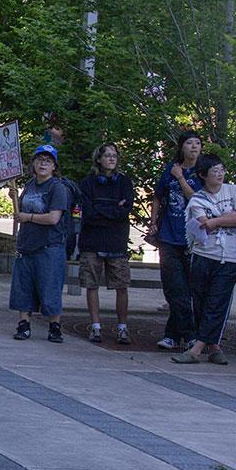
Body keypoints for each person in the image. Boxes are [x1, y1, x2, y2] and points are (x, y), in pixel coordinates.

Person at [171, 154, 236, 365]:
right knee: (202, 302)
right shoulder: (197, 199)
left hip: (230, 256)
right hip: (205, 254)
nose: (220, 174)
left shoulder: (233, 190)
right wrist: (226, 219)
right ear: (203, 175)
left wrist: (217, 221)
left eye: (222, 169)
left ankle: (195, 350)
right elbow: (204, 224)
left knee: (217, 301)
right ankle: (214, 347)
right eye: (215, 171)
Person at [148, 130, 204, 349]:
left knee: (187, 290)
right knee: (173, 288)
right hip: (169, 236)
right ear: (181, 147)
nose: (193, 147)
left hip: (194, 239)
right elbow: (158, 197)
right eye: (189, 143)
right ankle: (183, 335)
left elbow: (196, 198)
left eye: (197, 143)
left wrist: (181, 177)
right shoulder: (169, 170)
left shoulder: (203, 172)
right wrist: (153, 221)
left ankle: (180, 335)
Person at [10, 144, 69, 342]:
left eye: (48, 161)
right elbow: (20, 212)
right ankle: (24, 324)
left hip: (49, 246)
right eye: (39, 160)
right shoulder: (29, 185)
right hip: (27, 244)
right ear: (33, 163)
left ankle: (55, 326)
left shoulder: (57, 188)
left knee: (50, 287)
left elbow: (53, 218)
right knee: (23, 286)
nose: (43, 164)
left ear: (54, 166)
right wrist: (14, 198)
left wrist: (28, 217)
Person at [78, 143, 135, 344]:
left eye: (114, 155)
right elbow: (88, 212)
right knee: (92, 284)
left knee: (121, 285)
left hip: (117, 241)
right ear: (98, 159)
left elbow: (125, 209)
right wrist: (112, 209)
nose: (111, 159)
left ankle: (122, 327)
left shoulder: (124, 182)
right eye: (107, 155)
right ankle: (95, 326)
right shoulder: (88, 183)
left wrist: (103, 209)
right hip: (92, 240)